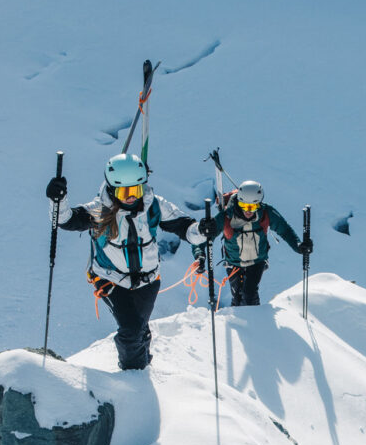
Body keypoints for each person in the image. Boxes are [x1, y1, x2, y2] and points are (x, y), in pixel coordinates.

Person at [45, 153, 207, 370]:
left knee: (139, 326)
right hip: (110, 280)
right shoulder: (100, 210)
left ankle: (144, 366)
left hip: (148, 281)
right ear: (112, 189)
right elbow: (66, 220)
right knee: (131, 329)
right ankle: (133, 375)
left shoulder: (154, 206)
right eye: (124, 191)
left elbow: (187, 229)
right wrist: (58, 200)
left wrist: (204, 230)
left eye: (136, 190)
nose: (131, 197)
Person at [195, 180, 312, 307]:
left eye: (253, 207)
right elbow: (204, 237)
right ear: (239, 202)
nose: (248, 211)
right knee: (237, 297)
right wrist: (199, 255)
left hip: (257, 262)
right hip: (233, 263)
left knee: (249, 295)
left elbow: (284, 230)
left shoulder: (266, 213)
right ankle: (239, 322)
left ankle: (255, 321)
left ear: (259, 204)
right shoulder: (226, 216)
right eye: (244, 206)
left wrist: (299, 246)